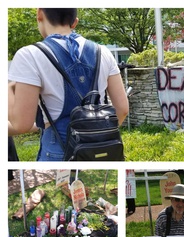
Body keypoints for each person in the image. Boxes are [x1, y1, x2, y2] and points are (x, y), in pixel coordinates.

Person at [8, 8, 128, 161]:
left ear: (39, 14)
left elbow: (21, 124)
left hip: (60, 152)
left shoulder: (29, 55)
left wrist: (6, 89)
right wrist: (98, 134)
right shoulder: (103, 52)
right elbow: (122, 109)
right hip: (105, 150)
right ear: (74, 22)